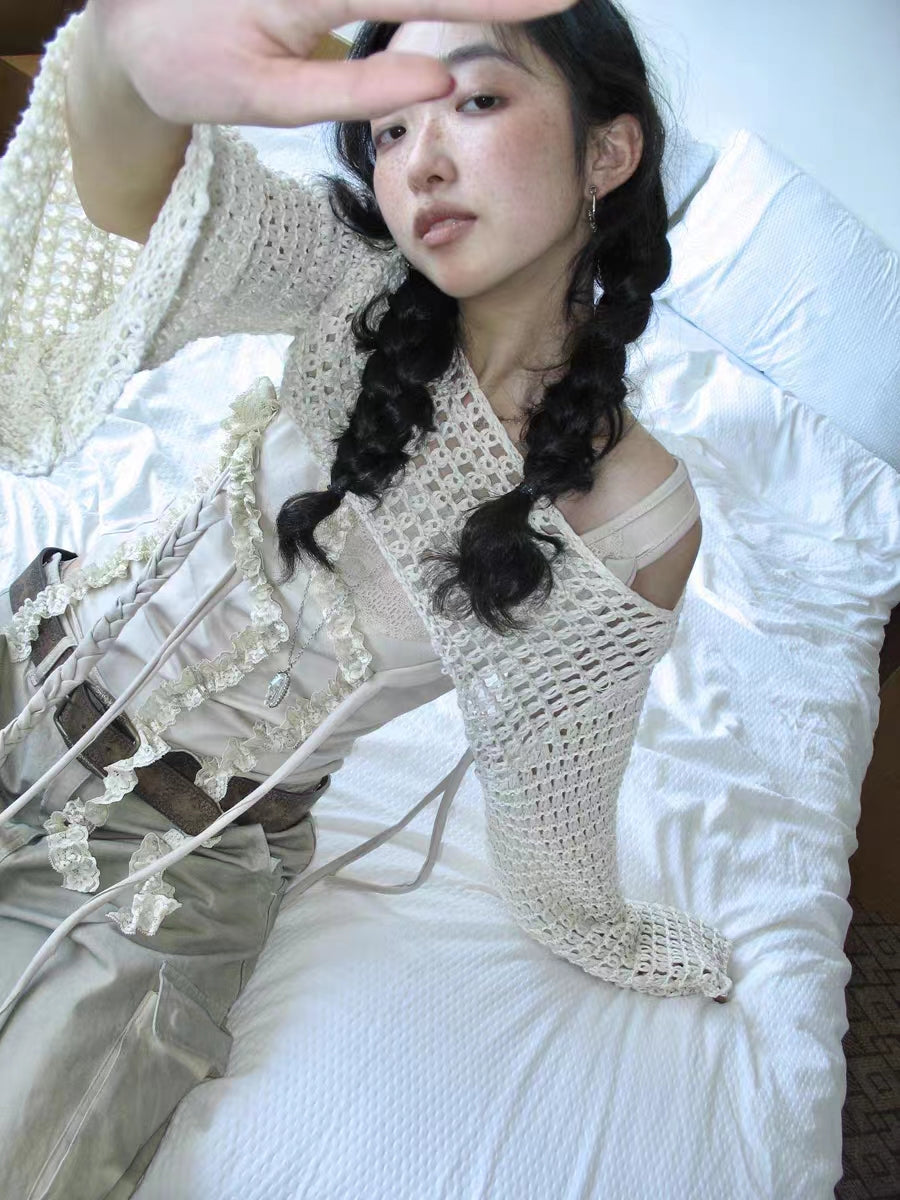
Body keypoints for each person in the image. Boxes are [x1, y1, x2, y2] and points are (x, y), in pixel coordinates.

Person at [0, 0, 733, 1194]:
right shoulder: (351, 278)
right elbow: (132, 196)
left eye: (477, 101)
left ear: (607, 150)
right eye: (389, 131)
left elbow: (556, 791)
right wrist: (127, 65)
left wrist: (605, 929)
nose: (421, 161)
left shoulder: (633, 520)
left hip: (177, 865)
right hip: (29, 659)